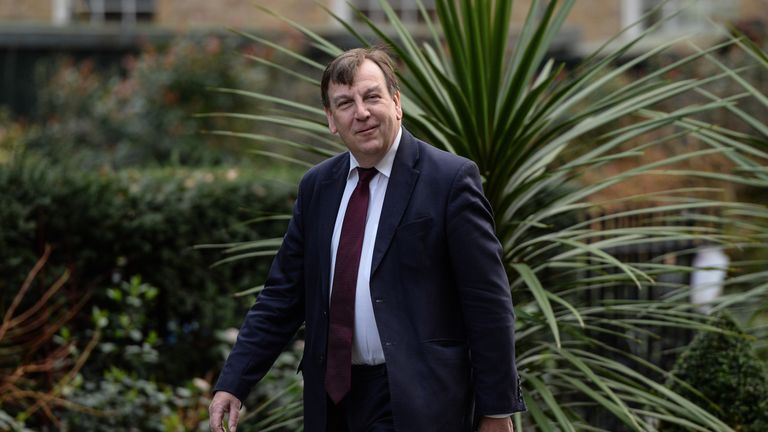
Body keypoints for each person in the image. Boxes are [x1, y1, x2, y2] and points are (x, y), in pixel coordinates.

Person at [209, 47, 525, 432]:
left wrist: (496, 409)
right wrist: (234, 381)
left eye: (371, 96)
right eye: (345, 103)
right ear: (331, 119)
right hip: (334, 402)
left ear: (396, 103)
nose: (361, 112)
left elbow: (488, 302)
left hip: (418, 400)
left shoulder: (449, 180)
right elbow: (282, 295)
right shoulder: (317, 187)